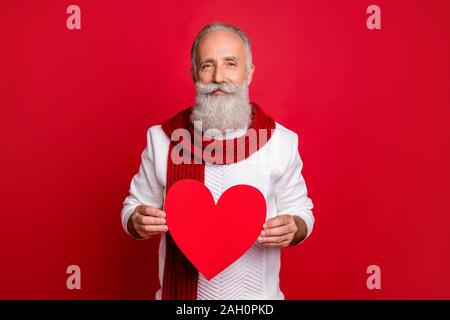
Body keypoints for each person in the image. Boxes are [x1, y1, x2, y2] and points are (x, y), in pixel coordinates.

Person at [121, 22, 315, 300]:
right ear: (194, 74)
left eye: (230, 64)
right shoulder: (163, 139)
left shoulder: (280, 141)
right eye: (207, 65)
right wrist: (136, 221)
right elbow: (132, 208)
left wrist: (295, 227)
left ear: (249, 74)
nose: (218, 77)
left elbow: (302, 211)